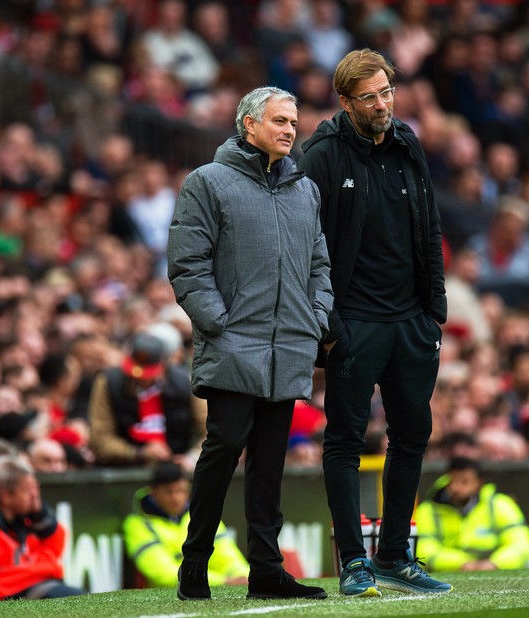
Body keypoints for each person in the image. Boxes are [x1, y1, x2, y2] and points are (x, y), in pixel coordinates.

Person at [168, 86, 333, 601]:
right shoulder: (208, 183)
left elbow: (319, 266)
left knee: (270, 462)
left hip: (289, 347)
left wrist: (316, 318)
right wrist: (221, 324)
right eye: (280, 121)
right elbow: (188, 265)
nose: (290, 130)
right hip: (235, 344)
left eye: (293, 122)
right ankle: (195, 560)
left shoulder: (305, 190)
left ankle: (266, 569)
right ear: (248, 125)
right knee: (223, 448)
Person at [298, 48, 450, 596]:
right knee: (344, 440)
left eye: (388, 92)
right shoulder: (320, 154)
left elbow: (429, 227)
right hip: (354, 322)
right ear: (345, 101)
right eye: (370, 97)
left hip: (412, 321)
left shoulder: (408, 143)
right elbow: (302, 244)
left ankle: (393, 556)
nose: (383, 104)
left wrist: (435, 312)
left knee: (412, 435)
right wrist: (330, 321)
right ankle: (352, 562)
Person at [0, 456, 86, 601]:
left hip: (41, 588)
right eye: (28, 490)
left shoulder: (24, 521)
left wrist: (41, 514)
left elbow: (55, 549)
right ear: (6, 497)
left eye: (35, 489)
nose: (35, 496)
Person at [88, 332, 206, 471]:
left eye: (148, 374)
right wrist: (137, 453)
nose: (141, 378)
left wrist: (191, 458)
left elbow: (209, 430)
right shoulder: (108, 382)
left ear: (164, 365)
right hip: (125, 469)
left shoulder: (185, 382)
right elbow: (100, 438)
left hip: (174, 469)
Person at [122, 462, 249, 589]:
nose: (175, 498)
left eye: (180, 490)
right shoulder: (137, 524)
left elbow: (228, 557)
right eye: (168, 491)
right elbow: (162, 572)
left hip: (211, 589)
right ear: (153, 492)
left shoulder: (202, 516)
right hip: (163, 600)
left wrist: (243, 576)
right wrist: (223, 582)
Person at [415, 457, 529, 572]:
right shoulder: (427, 510)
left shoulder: (500, 504)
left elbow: (521, 544)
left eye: (465, 481)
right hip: (450, 574)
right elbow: (424, 550)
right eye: (453, 480)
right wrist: (462, 563)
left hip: (494, 571)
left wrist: (495, 563)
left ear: (478, 483)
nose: (456, 487)